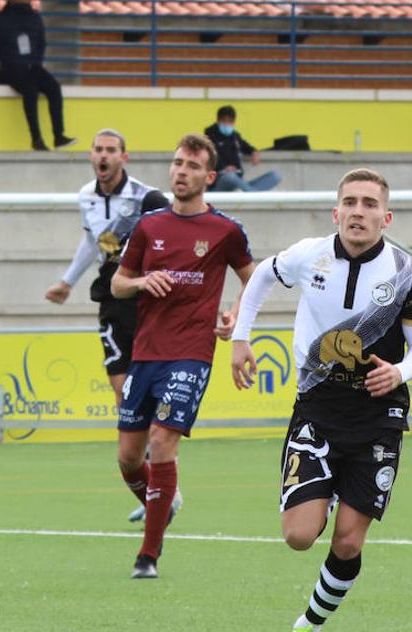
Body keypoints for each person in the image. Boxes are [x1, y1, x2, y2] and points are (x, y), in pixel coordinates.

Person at [231, 169, 410, 632]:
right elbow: (262, 276)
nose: (358, 211)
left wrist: (400, 372)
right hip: (318, 410)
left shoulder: (404, 272)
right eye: (350, 202)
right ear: (336, 212)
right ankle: (324, 492)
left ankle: (308, 626)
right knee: (299, 536)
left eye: (369, 204)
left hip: (379, 416)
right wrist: (240, 338)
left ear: (386, 217)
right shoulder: (308, 254)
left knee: (348, 544)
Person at [110, 133, 254, 579]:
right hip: (146, 352)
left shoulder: (225, 230)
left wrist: (234, 316)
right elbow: (118, 283)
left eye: (192, 166)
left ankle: (148, 556)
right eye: (177, 164)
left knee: (161, 442)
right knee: (128, 458)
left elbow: (253, 278)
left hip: (192, 352)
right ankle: (164, 502)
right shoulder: (148, 226)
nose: (181, 172)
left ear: (208, 177)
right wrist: (141, 282)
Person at [43, 129, 180, 525]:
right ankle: (159, 489)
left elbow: (172, 240)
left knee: (150, 392)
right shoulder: (86, 196)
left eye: (111, 150)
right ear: (91, 156)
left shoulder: (147, 198)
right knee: (123, 394)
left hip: (146, 300)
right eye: (98, 150)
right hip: (112, 297)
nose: (103, 156)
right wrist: (67, 282)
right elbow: (92, 243)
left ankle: (164, 484)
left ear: (124, 157)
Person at [0, 0, 73, 151]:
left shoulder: (34, 17)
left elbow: (41, 43)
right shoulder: (0, 19)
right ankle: (36, 138)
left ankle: (58, 136)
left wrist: (36, 61)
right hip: (9, 68)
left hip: (32, 66)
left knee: (54, 87)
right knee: (30, 90)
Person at [204, 105, 281, 192]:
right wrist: (223, 169)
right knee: (230, 176)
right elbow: (210, 159)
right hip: (220, 182)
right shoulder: (209, 137)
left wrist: (254, 152)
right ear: (218, 121)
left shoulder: (235, 136)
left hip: (238, 182)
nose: (227, 124)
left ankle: (248, 193)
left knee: (275, 176)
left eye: (230, 121)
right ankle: (251, 194)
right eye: (224, 121)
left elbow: (246, 146)